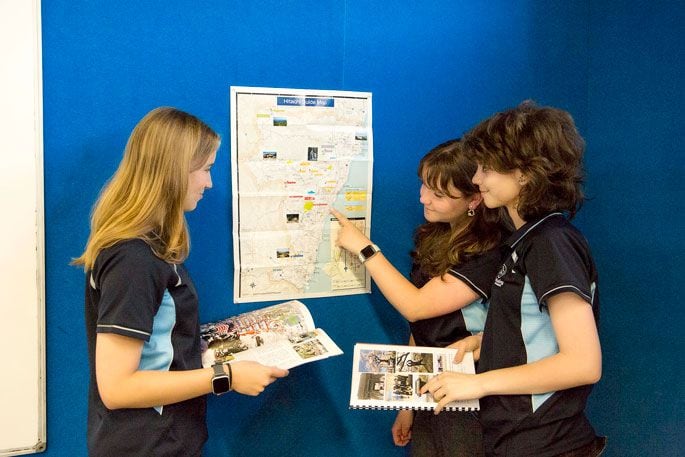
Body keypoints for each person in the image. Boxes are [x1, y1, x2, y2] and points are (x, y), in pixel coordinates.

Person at [73, 107, 289, 457]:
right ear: (173, 171)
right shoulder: (133, 259)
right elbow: (116, 388)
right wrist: (227, 376)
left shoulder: (150, 248)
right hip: (146, 446)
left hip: (166, 440)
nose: (209, 183)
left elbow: (160, 342)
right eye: (204, 170)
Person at [422, 101, 606, 457]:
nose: (477, 180)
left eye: (487, 169)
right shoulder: (527, 239)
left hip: (545, 442)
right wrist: (487, 341)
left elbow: (583, 363)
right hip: (515, 438)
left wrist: (477, 384)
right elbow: (538, 328)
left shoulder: (551, 241)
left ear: (525, 173)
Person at [331, 139, 510, 457]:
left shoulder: (490, 250)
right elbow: (424, 327)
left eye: (439, 194)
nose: (423, 198)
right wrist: (408, 403)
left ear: (474, 199)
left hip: (468, 394)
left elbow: (415, 306)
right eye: (425, 185)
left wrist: (365, 249)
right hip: (429, 384)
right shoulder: (437, 235)